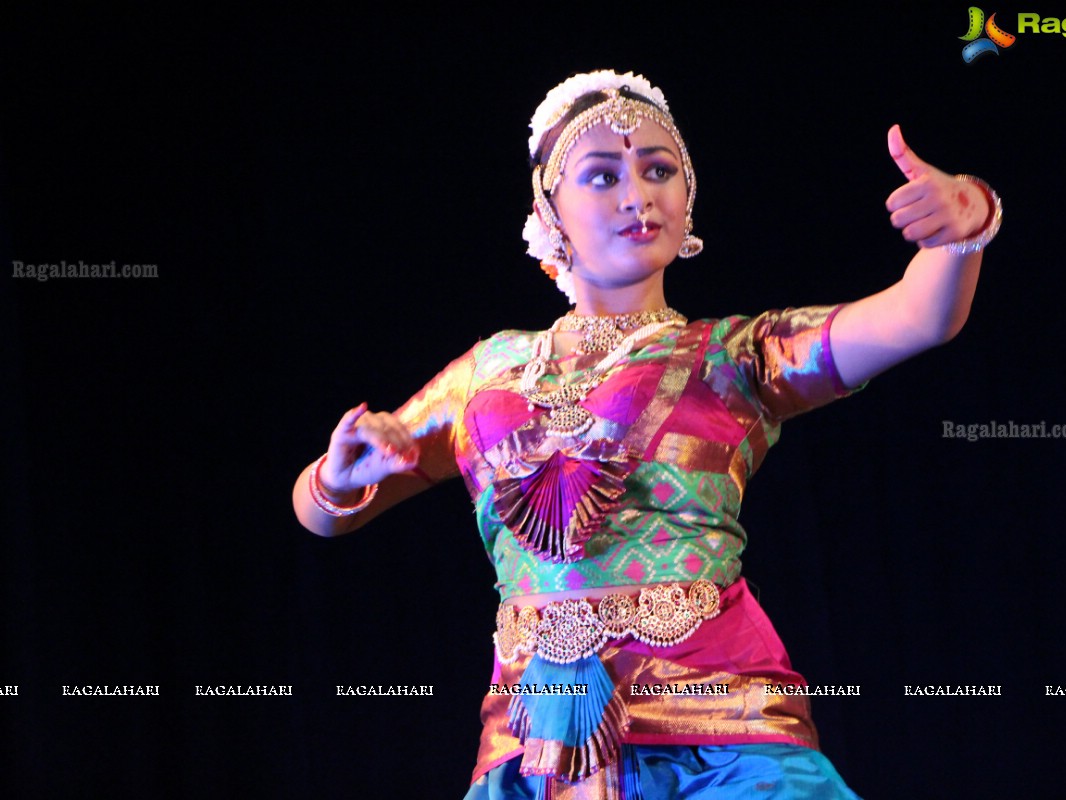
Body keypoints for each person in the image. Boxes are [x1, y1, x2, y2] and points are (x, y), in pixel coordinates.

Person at [293, 69, 1000, 799]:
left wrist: (967, 221)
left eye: (659, 170)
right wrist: (337, 478)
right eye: (602, 176)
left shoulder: (734, 356)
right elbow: (319, 514)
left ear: (687, 199)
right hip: (535, 745)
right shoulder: (487, 374)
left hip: (721, 730)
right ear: (549, 208)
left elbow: (919, 317)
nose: (639, 194)